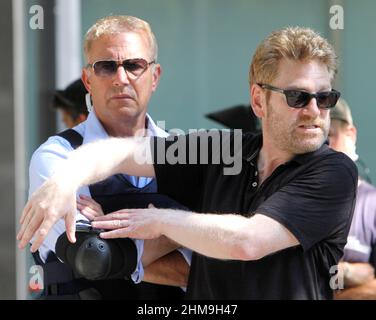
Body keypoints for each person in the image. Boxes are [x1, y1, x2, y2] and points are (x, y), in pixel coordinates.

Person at [18, 27, 358, 299]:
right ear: (259, 100)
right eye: (298, 97)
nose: (314, 111)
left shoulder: (333, 171)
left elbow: (246, 242)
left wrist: (160, 221)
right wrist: (65, 179)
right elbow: (122, 153)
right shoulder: (224, 149)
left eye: (324, 98)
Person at [23, 15, 189, 299]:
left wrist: (115, 232)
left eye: (134, 65)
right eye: (106, 67)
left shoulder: (186, 158)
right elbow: (92, 256)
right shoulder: (57, 156)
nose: (120, 78)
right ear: (88, 79)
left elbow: (219, 269)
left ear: (155, 77)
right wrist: (189, 225)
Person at [328, 99, 376, 299]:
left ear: (350, 134)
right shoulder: (291, 200)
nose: (322, 149)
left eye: (328, 137)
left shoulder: (371, 203)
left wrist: (342, 272)